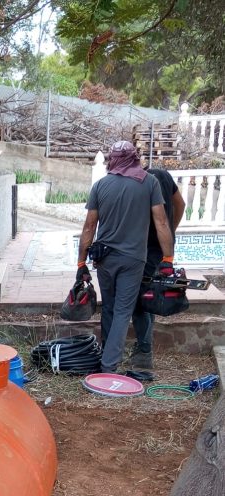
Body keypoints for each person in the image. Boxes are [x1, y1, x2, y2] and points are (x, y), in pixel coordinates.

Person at [76, 141, 176, 373]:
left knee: (109, 308)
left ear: (112, 159)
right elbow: (161, 222)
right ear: (135, 158)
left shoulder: (100, 185)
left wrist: (81, 262)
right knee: (123, 311)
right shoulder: (149, 183)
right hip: (133, 261)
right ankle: (108, 366)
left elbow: (89, 227)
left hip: (104, 258)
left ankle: (106, 357)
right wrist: (168, 259)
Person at [128, 167, 186, 370]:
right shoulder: (164, 175)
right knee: (150, 294)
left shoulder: (140, 182)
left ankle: (144, 352)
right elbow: (181, 204)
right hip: (163, 249)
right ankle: (144, 347)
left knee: (141, 299)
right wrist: (170, 232)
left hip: (145, 249)